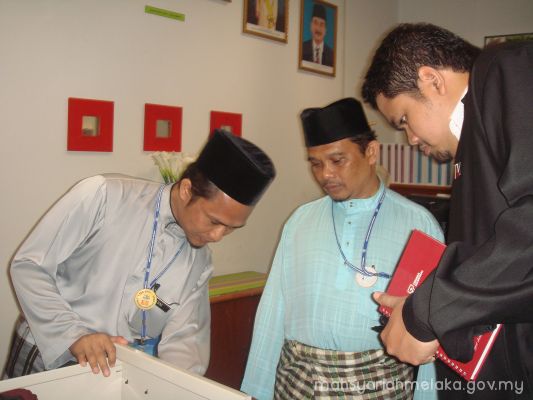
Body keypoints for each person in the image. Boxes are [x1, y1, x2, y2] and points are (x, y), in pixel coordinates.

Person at [4, 130, 275, 379]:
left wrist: (176, 387)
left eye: (231, 228)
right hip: (48, 352)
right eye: (214, 221)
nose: (217, 236)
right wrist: (74, 335)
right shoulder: (104, 195)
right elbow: (29, 266)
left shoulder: (200, 263)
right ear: (186, 190)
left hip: (112, 371)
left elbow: (186, 344)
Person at [362, 23, 533, 398]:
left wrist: (429, 312)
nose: (411, 139)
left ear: (431, 81)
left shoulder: (506, 68)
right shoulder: (468, 155)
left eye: (404, 120)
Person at [241, 97, 443, 399]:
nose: (325, 174)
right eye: (316, 163)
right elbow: (273, 310)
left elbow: (432, 321)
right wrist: (256, 390)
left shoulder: (419, 225)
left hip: (377, 386)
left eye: (337, 160)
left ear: (371, 152)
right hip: (296, 383)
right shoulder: (300, 221)